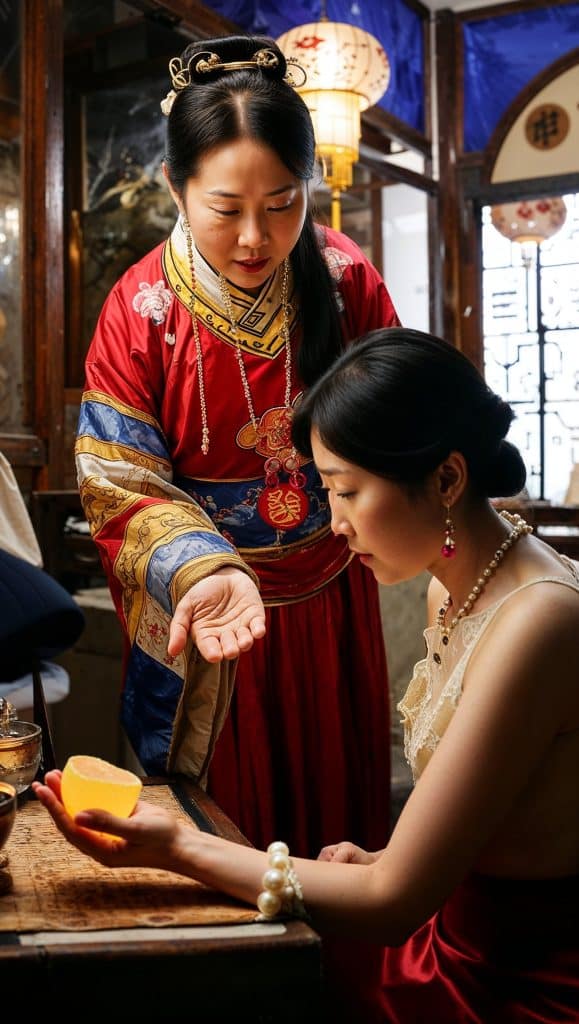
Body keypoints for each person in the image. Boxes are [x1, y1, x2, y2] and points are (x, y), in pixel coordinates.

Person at [35, 326, 579, 1022]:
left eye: (348, 491)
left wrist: (181, 848)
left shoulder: (538, 621)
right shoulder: (459, 585)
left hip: (517, 987)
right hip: (451, 938)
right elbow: (501, 810)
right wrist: (388, 854)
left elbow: (391, 906)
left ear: (445, 478)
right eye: (326, 491)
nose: (336, 524)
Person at [74, 34, 399, 858]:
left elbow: (400, 417)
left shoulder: (344, 278)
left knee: (339, 817)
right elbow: (118, 480)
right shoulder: (140, 308)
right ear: (176, 189)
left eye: (283, 202)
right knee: (225, 834)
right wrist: (207, 565)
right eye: (226, 208)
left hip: (331, 588)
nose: (256, 236)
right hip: (214, 610)